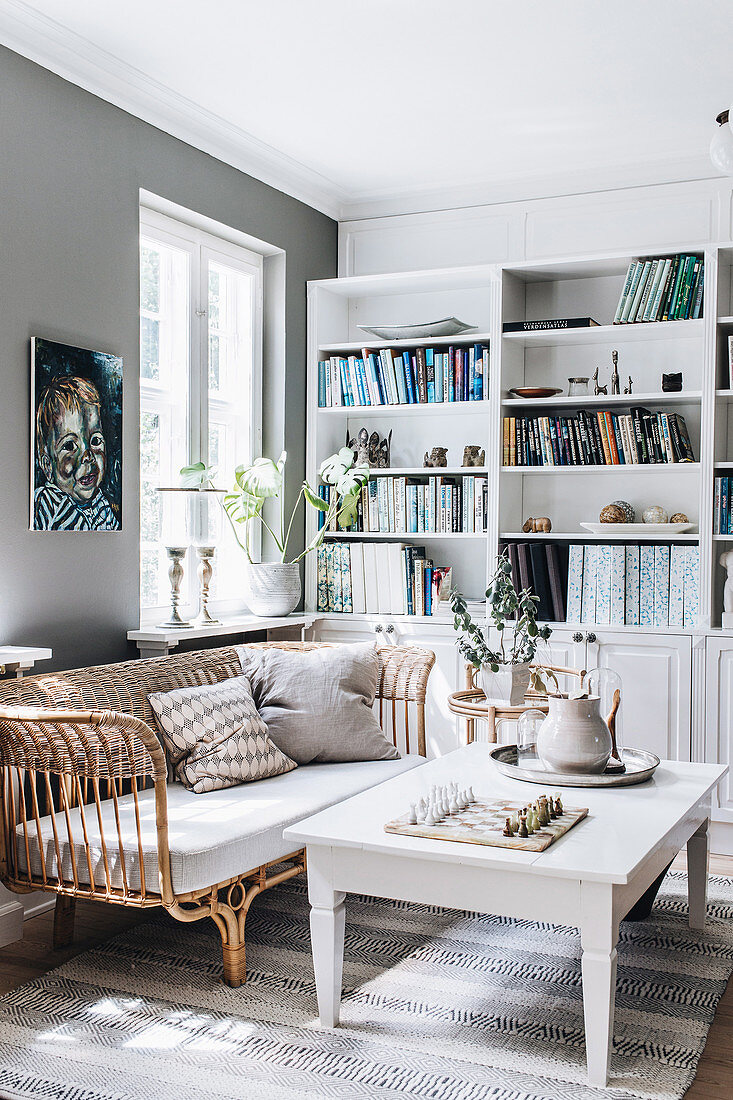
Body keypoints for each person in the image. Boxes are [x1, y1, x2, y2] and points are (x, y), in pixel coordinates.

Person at [34, 374, 120, 530]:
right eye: (69, 446)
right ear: (47, 465)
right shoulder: (46, 502)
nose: (87, 456)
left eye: (95, 441)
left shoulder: (103, 507)